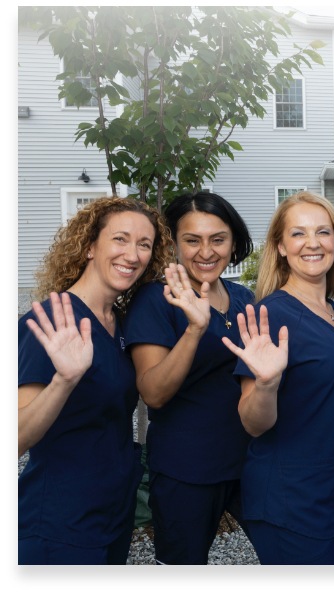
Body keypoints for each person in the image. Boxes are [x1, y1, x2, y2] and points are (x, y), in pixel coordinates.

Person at [18, 196, 174, 564]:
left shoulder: (119, 322)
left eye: (144, 244)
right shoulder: (51, 322)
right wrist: (64, 381)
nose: (132, 255)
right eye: (120, 239)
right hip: (59, 522)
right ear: (90, 246)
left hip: (111, 516)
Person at [221, 191, 334, 564]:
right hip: (291, 501)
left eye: (323, 232)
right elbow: (253, 423)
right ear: (281, 247)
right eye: (298, 234)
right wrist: (268, 383)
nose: (313, 243)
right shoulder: (269, 316)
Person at [123, 191, 255, 564]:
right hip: (187, 469)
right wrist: (195, 330)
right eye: (192, 240)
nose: (206, 251)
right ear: (174, 243)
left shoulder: (244, 297)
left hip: (250, 461)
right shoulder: (156, 299)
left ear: (233, 241)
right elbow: (153, 393)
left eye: (218, 239)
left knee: (290, 555)